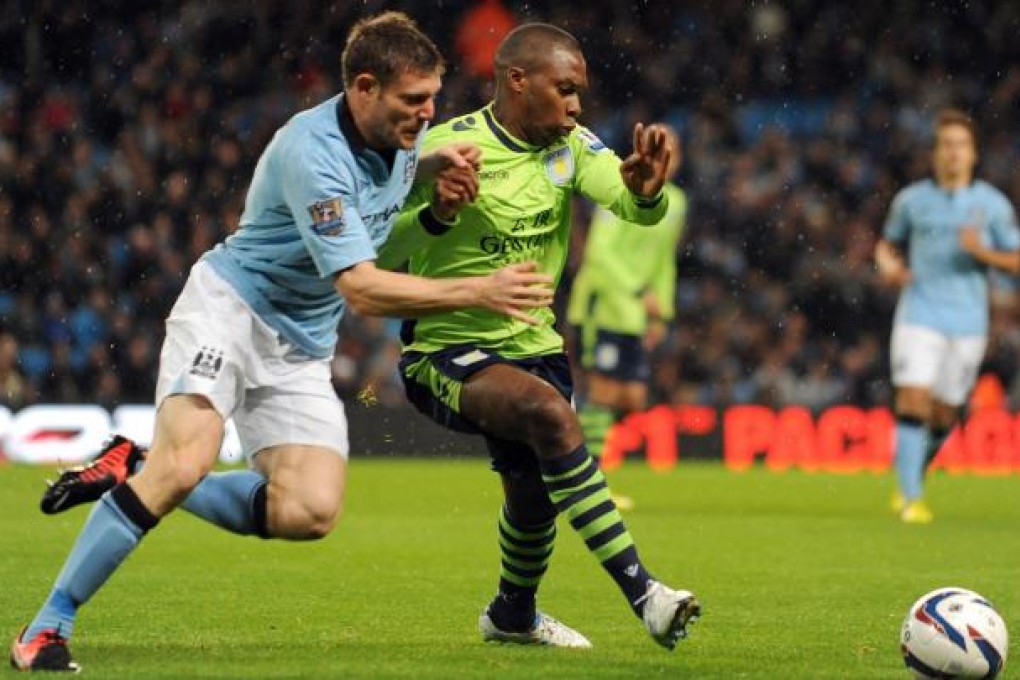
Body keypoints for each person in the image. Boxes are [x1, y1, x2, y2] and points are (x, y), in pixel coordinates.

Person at [13, 12, 554, 672]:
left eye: (433, 99)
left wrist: (434, 162)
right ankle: (47, 625)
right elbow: (361, 288)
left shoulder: (402, 134)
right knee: (186, 462)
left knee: (308, 509)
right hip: (229, 311)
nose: (428, 113)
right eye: (415, 102)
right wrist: (478, 290)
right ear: (363, 87)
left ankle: (133, 464)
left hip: (300, 342)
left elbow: (387, 182)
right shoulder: (311, 153)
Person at [377, 24, 700, 651]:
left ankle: (513, 614)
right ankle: (647, 594)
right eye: (565, 90)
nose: (577, 106)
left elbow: (628, 199)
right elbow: (376, 253)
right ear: (516, 82)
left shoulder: (572, 147)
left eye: (579, 92)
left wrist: (647, 191)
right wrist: (438, 216)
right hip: (444, 350)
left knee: (532, 501)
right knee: (545, 413)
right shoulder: (443, 148)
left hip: (537, 349)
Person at [875, 108, 1020, 524]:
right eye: (946, 145)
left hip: (969, 322)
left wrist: (981, 252)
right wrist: (887, 265)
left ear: (973, 154)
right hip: (918, 312)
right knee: (913, 398)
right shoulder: (912, 201)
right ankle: (910, 497)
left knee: (945, 413)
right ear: (935, 153)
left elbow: (1015, 260)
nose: (953, 153)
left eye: (961, 145)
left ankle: (912, 469)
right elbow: (887, 245)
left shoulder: (991, 205)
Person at [566, 127, 687, 509]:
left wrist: (660, 312)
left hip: (636, 312)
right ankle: (587, 483)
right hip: (604, 302)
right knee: (604, 394)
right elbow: (599, 252)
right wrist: (636, 292)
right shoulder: (622, 191)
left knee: (632, 398)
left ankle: (567, 459)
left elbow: (664, 261)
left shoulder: (677, 202)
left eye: (673, 148)